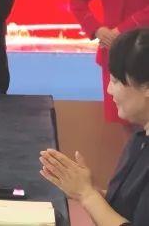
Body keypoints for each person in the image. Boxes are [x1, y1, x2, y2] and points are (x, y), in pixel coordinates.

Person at [40, 28, 149, 225]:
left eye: (115, 81)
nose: (109, 89)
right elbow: (128, 206)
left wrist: (87, 194)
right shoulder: (139, 141)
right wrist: (80, 187)